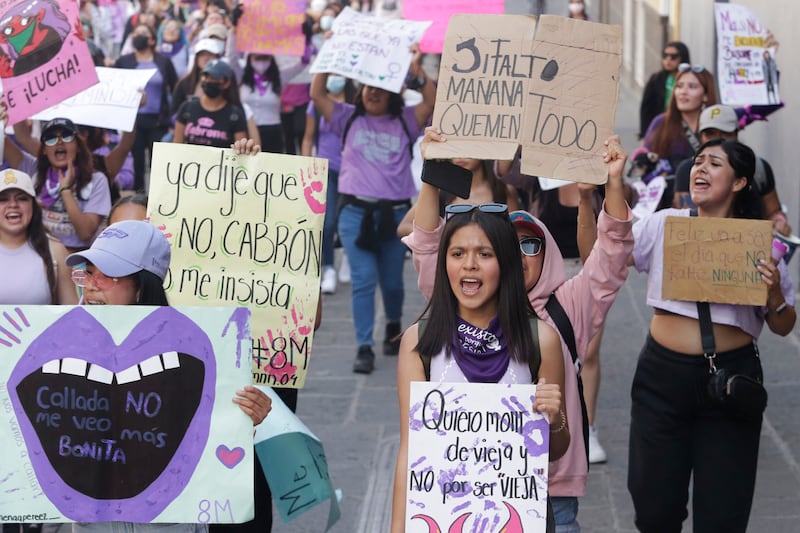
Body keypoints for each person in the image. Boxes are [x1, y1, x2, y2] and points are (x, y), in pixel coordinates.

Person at [403, 128, 633, 531]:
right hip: (456, 490)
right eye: (511, 245)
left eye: (532, 244)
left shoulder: (566, 307)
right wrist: (432, 173)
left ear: (549, 252)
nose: (522, 254)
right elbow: (427, 248)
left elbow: (611, 257)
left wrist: (610, 185)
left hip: (549, 492)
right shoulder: (458, 307)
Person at [628, 138, 796, 532]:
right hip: (661, 379)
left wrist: (772, 293)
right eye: (698, 161)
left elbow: (784, 323)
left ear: (739, 182)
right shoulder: (664, 224)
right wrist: (597, 196)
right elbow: (606, 255)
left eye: (714, 164)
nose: (700, 168)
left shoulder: (760, 244)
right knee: (653, 509)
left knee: (723, 515)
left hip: (730, 383)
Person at [391, 202, 570, 533]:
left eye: (484, 254)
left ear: (505, 263)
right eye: (457, 253)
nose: (469, 265)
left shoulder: (540, 340)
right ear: (444, 262)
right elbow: (410, 451)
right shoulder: (420, 341)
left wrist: (554, 417)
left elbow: (555, 451)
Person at [309, 45, 435, 374]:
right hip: (354, 215)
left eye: (380, 87)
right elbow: (317, 92)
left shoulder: (406, 120)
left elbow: (432, 101)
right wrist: (332, 55)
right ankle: (363, 346)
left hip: (395, 217)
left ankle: (392, 324)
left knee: (392, 282)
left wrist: (415, 69)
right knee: (363, 280)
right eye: (367, 86)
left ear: (392, 91)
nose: (373, 92)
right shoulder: (345, 117)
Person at [672, 104, 792, 236]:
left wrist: (779, 223)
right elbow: (683, 224)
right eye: (710, 133)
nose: (718, 138)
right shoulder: (686, 171)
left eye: (725, 132)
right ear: (701, 136)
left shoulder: (758, 169)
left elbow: (774, 212)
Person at [3, 117, 112, 251]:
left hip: (77, 262)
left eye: (66, 136)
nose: (59, 142)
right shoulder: (33, 170)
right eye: (50, 138)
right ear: (44, 150)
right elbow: (6, 141)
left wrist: (65, 190)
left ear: (78, 146)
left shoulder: (97, 180)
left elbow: (85, 233)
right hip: (40, 256)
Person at [301, 75, 356, 294]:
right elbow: (308, 137)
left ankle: (348, 259)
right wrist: (305, 166)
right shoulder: (315, 106)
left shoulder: (355, 104)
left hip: (353, 171)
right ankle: (329, 267)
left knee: (350, 219)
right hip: (326, 170)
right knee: (328, 221)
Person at [116, 23, 179, 192]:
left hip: (158, 121)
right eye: (136, 33)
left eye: (143, 33)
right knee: (136, 161)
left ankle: (158, 197)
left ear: (151, 39)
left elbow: (176, 88)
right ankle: (138, 196)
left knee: (157, 163)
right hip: (133, 122)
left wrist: (174, 118)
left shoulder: (163, 62)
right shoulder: (124, 61)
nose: (139, 36)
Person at [0, 168, 77, 305]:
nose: (13, 205)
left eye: (22, 199)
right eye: (3, 200)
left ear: (33, 206)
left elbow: (71, 314)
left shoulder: (56, 251)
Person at [396, 158, 520, 238]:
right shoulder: (440, 192)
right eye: (454, 148)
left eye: (467, 147)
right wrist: (443, 237)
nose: (460, 155)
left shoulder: (503, 191)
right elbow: (403, 227)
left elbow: (516, 233)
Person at [636, 64, 717, 170]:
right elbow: (642, 163)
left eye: (692, 87)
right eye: (679, 86)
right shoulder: (660, 122)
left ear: (706, 95)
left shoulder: (716, 125)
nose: (683, 92)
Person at [173, 59, 249, 147]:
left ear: (226, 83)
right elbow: (177, 144)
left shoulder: (235, 114)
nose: (208, 81)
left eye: (214, 78)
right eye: (205, 76)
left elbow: (240, 148)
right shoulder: (187, 107)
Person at [639, 42, 691, 139]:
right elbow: (646, 109)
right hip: (661, 129)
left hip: (684, 129)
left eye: (673, 56)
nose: (668, 60)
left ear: (683, 58)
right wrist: (644, 135)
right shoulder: (656, 79)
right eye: (665, 55)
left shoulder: (690, 78)